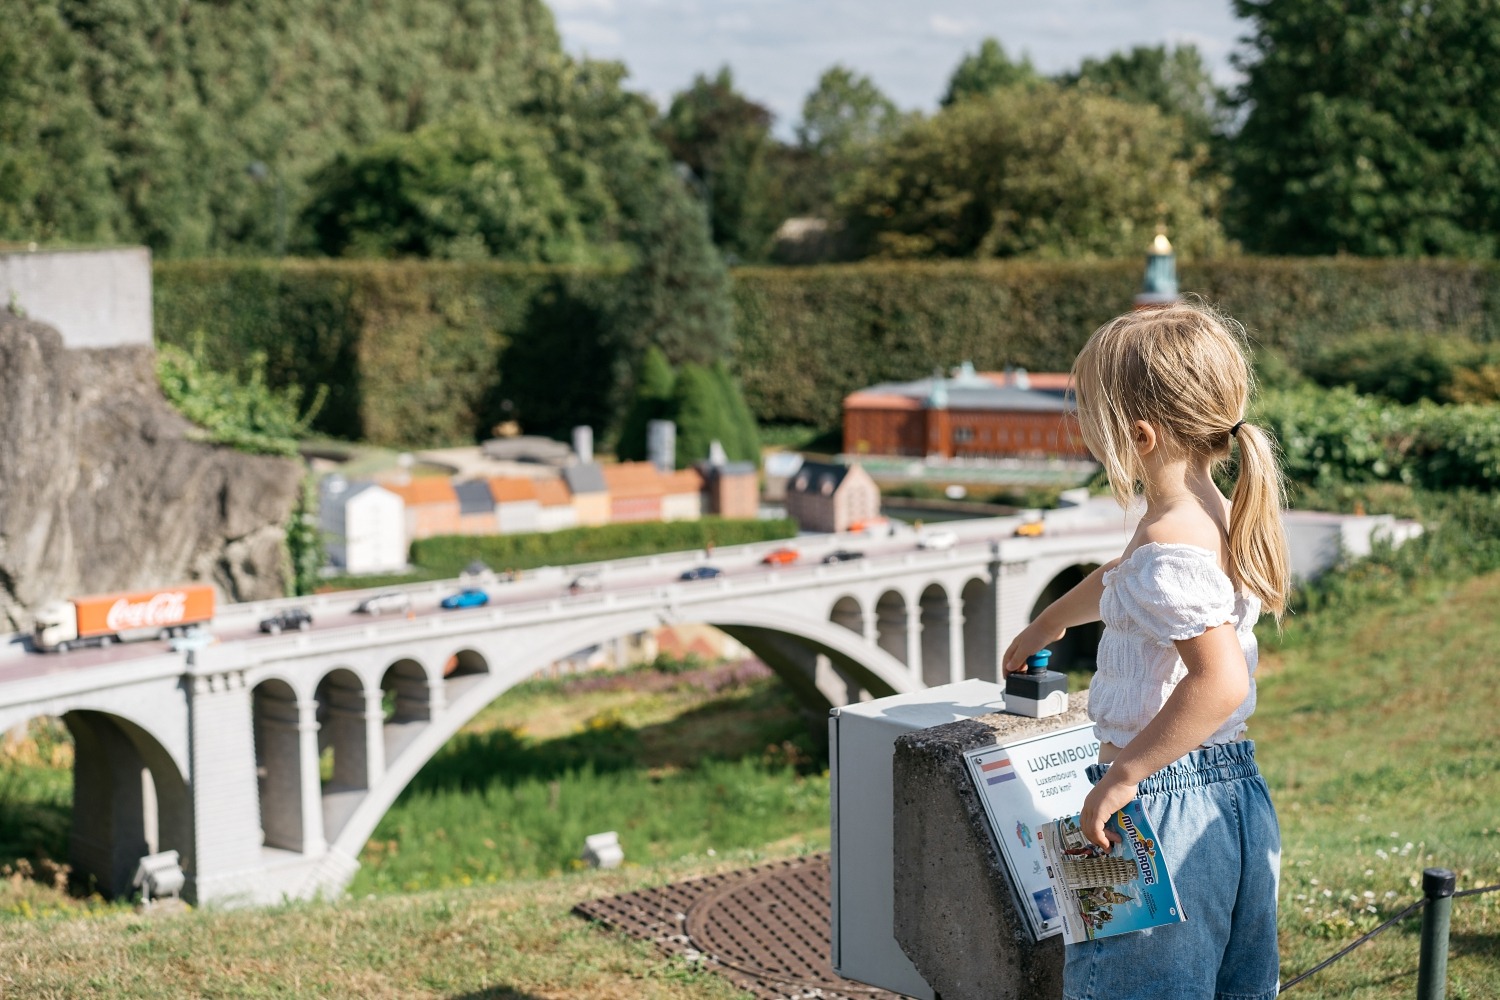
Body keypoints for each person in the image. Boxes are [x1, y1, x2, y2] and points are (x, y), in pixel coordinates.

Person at [1002, 301, 1291, 1000]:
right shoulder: (1209, 514)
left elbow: (1216, 681)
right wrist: (1049, 624)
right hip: (1234, 793)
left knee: (1126, 987)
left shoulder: (1168, 547)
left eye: (1093, 426)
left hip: (1156, 805)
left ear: (1138, 434)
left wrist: (1124, 777)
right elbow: (1119, 580)